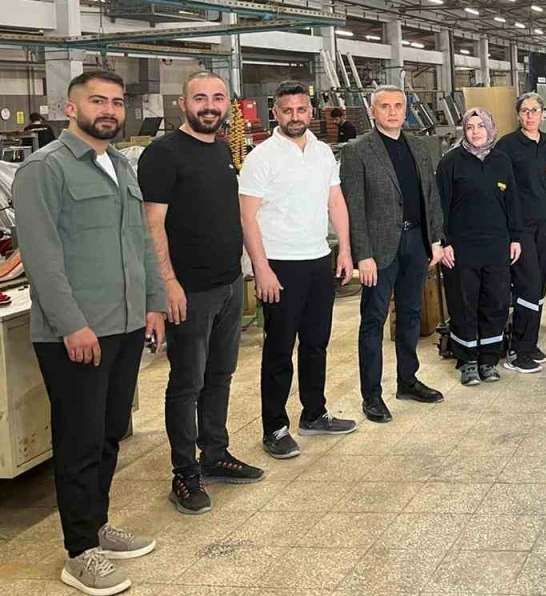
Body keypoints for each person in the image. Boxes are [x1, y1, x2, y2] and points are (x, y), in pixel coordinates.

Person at [14, 70, 165, 596]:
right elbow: (41, 258)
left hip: (125, 325)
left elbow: (140, 242)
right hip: (77, 333)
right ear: (69, 107)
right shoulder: (45, 168)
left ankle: (96, 525)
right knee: (78, 442)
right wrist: (71, 324)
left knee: (108, 433)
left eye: (117, 102)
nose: (109, 110)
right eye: (97, 101)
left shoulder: (120, 164)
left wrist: (152, 303)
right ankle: (80, 552)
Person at [138, 72, 263, 519]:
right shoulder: (163, 153)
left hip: (228, 284)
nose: (209, 105)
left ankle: (215, 453)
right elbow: (152, 224)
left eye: (217, 98)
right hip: (189, 291)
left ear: (227, 104)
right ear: (183, 103)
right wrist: (168, 283)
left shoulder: (223, 151)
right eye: (200, 98)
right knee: (186, 383)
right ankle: (184, 472)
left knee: (220, 375)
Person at [239, 81, 356, 460]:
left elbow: (335, 202)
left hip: (318, 259)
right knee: (279, 349)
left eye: (301, 109)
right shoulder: (261, 157)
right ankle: (274, 427)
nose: (294, 116)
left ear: (310, 111)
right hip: (280, 264)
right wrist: (261, 269)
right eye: (287, 110)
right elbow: (247, 217)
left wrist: (345, 250)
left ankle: (314, 413)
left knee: (316, 342)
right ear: (275, 113)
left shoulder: (322, 153)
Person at [340, 85, 445, 424]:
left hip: (416, 241)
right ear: (372, 112)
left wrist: (436, 239)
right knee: (373, 320)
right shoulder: (357, 150)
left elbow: (430, 194)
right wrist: (363, 254)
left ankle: (407, 381)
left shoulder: (418, 146)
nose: (392, 112)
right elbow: (354, 207)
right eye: (384, 106)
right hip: (379, 249)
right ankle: (371, 396)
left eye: (398, 106)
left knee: (411, 314)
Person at [436, 108, 522, 385]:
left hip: (496, 244)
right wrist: (444, 243)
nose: (475, 132)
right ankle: (468, 361)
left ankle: (488, 360)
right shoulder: (450, 162)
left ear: (490, 128)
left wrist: (516, 237)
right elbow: (440, 207)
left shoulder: (501, 161)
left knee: (495, 302)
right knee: (464, 303)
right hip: (462, 248)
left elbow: (512, 202)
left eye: (480, 126)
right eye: (470, 127)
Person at [495, 93, 546, 373]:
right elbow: (501, 188)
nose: (530, 115)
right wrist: (510, 230)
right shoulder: (507, 146)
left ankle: (530, 343)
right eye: (525, 111)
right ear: (518, 114)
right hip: (521, 226)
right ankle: (517, 350)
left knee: (541, 283)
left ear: (543, 114)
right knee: (527, 283)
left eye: (535, 110)